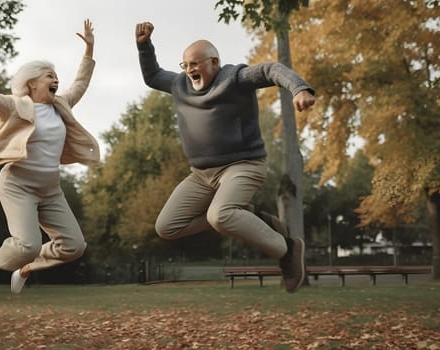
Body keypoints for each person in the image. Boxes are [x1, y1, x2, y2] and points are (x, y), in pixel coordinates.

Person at [134, 22, 316, 293]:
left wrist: (299, 88)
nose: (189, 70)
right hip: (201, 174)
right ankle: (251, 215)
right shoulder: (179, 84)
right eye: (185, 65)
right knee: (167, 226)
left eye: (195, 64)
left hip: (243, 165)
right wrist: (143, 46)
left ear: (214, 62)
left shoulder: (235, 78)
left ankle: (288, 249)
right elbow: (152, 76)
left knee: (220, 215)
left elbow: (270, 69)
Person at [0, 19, 100, 296]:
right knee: (28, 245)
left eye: (56, 75)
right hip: (17, 185)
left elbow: (80, 83)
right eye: (49, 75)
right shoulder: (13, 107)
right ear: (32, 83)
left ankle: (25, 269)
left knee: (74, 246)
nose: (55, 79)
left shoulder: (62, 104)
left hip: (50, 190)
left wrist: (89, 51)